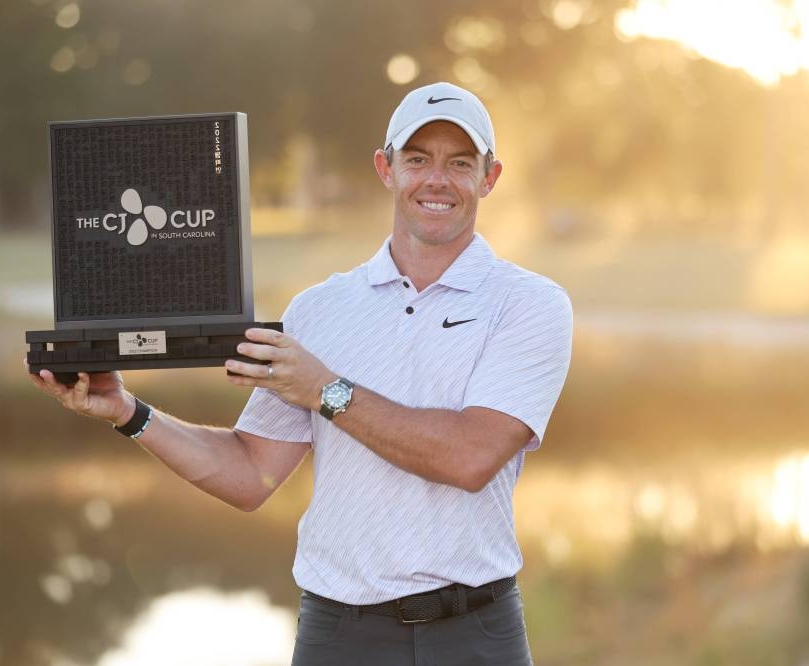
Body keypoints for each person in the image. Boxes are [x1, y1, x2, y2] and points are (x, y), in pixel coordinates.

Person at [29, 81, 572, 665]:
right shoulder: (319, 310)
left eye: (459, 163)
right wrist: (129, 412)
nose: (436, 179)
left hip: (473, 635)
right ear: (385, 168)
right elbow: (250, 475)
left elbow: (469, 457)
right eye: (417, 159)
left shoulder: (528, 304)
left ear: (489, 178)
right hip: (340, 634)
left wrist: (325, 391)